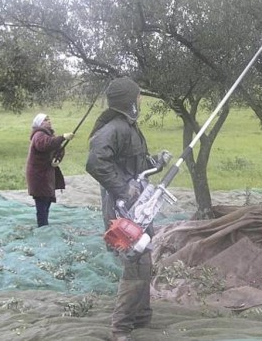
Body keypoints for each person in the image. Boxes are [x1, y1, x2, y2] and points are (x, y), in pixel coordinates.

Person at [86, 77, 168, 341]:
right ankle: (120, 328)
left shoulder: (129, 128)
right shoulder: (115, 128)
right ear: (130, 101)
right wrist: (123, 189)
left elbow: (136, 163)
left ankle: (141, 316)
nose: (141, 100)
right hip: (123, 210)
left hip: (139, 206)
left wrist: (156, 162)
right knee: (134, 261)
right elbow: (95, 162)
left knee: (144, 258)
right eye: (138, 96)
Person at [25, 113, 74, 227]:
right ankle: (42, 227)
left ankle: (44, 225)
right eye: (45, 120)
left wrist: (58, 159)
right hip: (38, 175)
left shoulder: (49, 135)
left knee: (46, 200)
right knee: (42, 203)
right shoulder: (39, 135)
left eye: (49, 119)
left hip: (46, 175)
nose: (49, 121)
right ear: (39, 124)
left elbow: (59, 149)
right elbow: (46, 145)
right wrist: (62, 137)